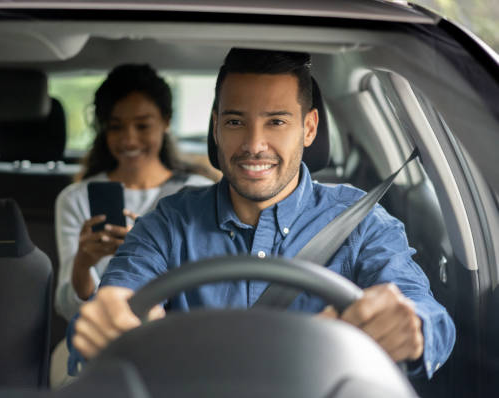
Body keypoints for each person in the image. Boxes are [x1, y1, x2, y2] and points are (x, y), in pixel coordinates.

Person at [68, 49, 456, 380]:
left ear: (308, 128)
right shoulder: (170, 222)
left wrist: (412, 326)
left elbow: (429, 317)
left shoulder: (361, 222)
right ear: (216, 128)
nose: (254, 145)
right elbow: (109, 305)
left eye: (276, 121)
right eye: (236, 121)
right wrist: (107, 320)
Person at [51, 64, 213, 386]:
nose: (129, 139)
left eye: (142, 125)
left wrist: (147, 251)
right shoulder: (76, 199)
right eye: (116, 127)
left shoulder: (196, 194)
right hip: (102, 337)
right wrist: (84, 264)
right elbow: (70, 309)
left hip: (178, 336)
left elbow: (209, 292)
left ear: (166, 122)